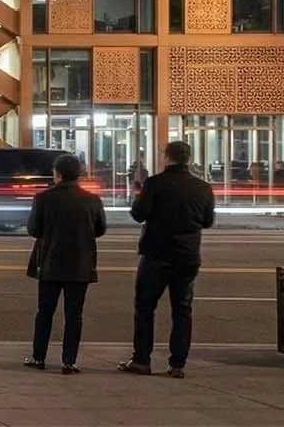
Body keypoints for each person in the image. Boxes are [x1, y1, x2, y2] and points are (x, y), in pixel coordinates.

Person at [121, 140, 216, 379]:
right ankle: (177, 363)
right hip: (187, 254)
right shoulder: (203, 187)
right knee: (182, 309)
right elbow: (207, 221)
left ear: (167, 157)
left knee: (145, 307)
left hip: (157, 252)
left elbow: (138, 214)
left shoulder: (155, 184)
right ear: (189, 158)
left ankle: (142, 359)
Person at [26, 154, 107, 374]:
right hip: (80, 264)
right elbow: (100, 230)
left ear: (57, 174)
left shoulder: (43, 198)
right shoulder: (92, 200)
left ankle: (38, 357)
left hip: (50, 262)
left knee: (45, 312)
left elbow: (34, 230)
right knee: (74, 315)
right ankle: (69, 361)